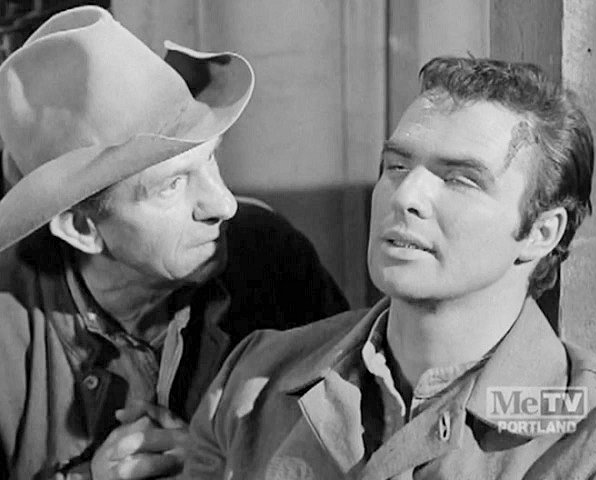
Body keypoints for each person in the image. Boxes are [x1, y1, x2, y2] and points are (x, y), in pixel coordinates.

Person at [184, 56, 596, 479]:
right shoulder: (255, 383)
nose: (405, 197)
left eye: (460, 179)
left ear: (541, 232)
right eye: (397, 166)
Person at [0, 6, 348, 480]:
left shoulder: (270, 255)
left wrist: (230, 463)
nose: (223, 204)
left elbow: (358, 445)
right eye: (172, 185)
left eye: (211, 160)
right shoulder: (8, 322)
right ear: (81, 228)